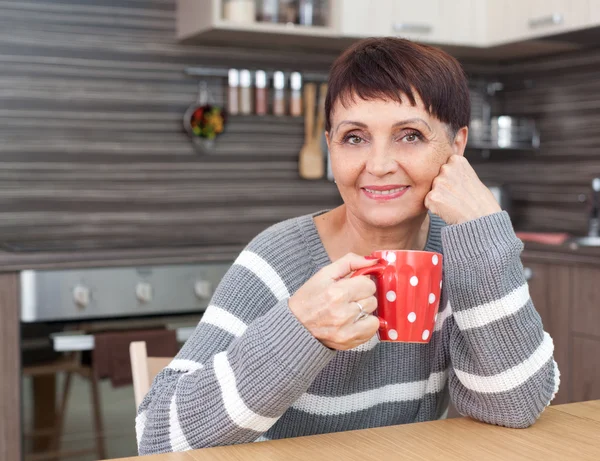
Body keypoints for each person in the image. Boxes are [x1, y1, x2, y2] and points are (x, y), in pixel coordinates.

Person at [135, 37, 559, 455]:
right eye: (354, 137)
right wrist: (300, 330)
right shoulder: (278, 260)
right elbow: (157, 436)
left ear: (457, 147)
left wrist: (485, 234)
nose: (378, 166)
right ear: (330, 146)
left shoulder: (464, 257)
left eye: (409, 135)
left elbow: (513, 406)